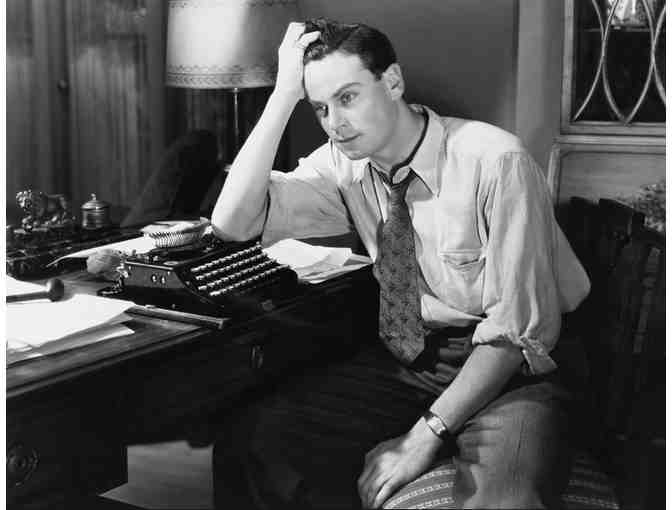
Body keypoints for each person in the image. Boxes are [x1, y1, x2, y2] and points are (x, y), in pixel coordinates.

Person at [210, 18, 590, 509]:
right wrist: (284, 95)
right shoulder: (344, 163)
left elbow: (516, 332)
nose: (334, 122)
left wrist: (423, 435)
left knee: (506, 501)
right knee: (253, 440)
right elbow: (232, 223)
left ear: (392, 82)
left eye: (348, 97)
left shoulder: (496, 160)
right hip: (416, 362)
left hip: (514, 370)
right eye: (320, 107)